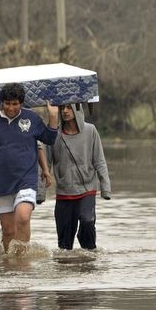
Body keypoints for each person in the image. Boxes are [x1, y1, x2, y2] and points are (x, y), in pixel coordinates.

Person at [0, 83, 58, 254]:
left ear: (21, 104)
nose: (11, 108)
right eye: (7, 103)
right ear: (1, 102)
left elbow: (49, 139)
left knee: (23, 218)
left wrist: (53, 118)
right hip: (1, 182)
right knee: (8, 230)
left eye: (15, 104)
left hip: (26, 180)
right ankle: (10, 264)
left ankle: (22, 261)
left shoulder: (32, 118)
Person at [49, 103, 111, 250]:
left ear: (78, 109)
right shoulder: (54, 134)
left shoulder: (91, 131)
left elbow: (99, 161)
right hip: (64, 192)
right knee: (64, 246)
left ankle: (89, 262)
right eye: (62, 107)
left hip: (87, 189)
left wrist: (105, 188)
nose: (65, 111)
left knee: (87, 222)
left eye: (69, 107)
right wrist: (39, 193)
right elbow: (45, 162)